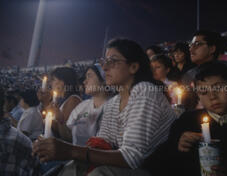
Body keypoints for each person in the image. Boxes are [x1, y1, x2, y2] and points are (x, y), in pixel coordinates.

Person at [33, 38, 177, 176]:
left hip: (156, 169)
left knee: (101, 174)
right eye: (104, 61)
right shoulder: (114, 103)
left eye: (112, 61)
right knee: (72, 168)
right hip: (130, 168)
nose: (105, 67)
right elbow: (102, 144)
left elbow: (132, 158)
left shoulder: (144, 91)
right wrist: (60, 150)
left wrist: (69, 151)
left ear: (133, 67)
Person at [144, 61, 227, 176]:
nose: (212, 97)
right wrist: (177, 146)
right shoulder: (186, 122)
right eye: (203, 91)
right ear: (198, 95)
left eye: (218, 88)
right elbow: (157, 163)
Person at [66, 64, 110, 146]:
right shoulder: (82, 106)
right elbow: (68, 133)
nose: (84, 82)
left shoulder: (115, 106)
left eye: (89, 76)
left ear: (104, 80)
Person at [0, 88, 40, 176]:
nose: (19, 101)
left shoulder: (31, 113)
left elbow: (24, 132)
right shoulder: (30, 112)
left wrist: (10, 117)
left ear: (26, 100)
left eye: (21, 99)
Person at [48, 67, 82, 142]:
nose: (51, 83)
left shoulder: (73, 100)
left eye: (53, 80)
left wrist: (56, 120)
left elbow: (66, 135)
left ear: (62, 82)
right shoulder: (66, 100)